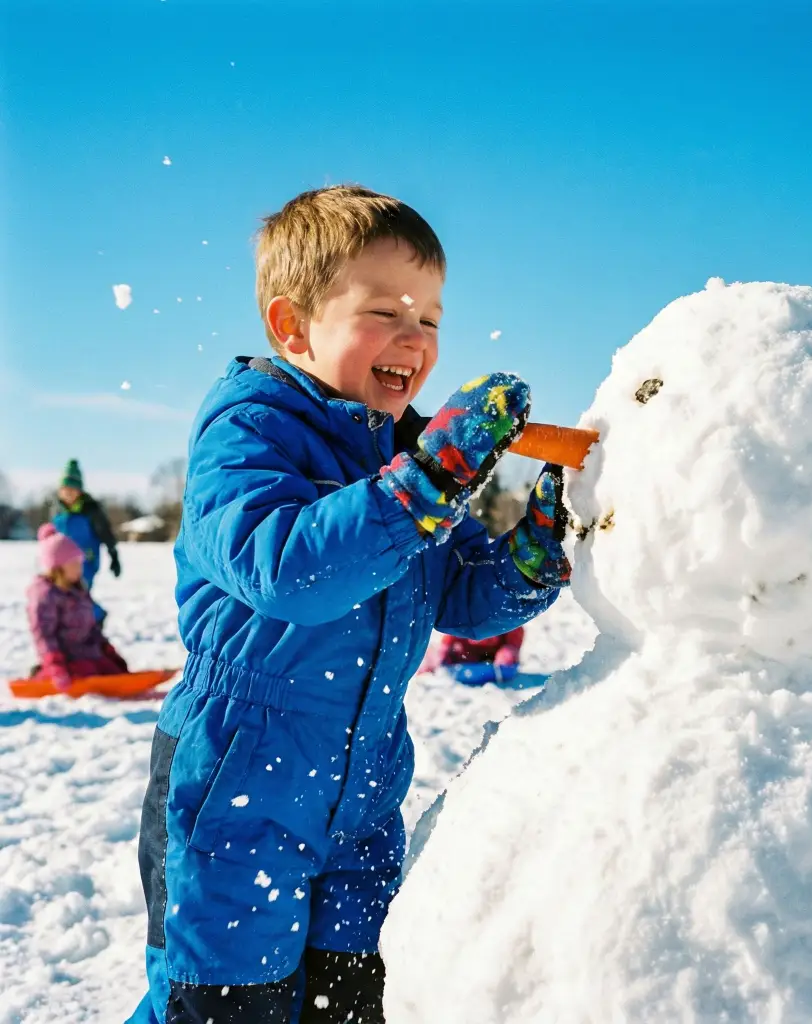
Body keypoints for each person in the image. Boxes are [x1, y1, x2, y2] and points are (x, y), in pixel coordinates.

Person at [128, 185, 571, 1024]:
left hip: (363, 786)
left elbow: (462, 593)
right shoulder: (251, 428)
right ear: (293, 326)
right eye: (386, 312)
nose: (417, 340)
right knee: (223, 1004)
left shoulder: (405, 454)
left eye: (432, 320)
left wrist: (532, 556)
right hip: (238, 780)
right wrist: (428, 482)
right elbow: (292, 571)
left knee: (352, 1002)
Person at [27, 525, 128, 690]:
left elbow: (91, 628)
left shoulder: (79, 591)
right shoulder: (46, 596)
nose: (79, 569)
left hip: (88, 653)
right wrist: (55, 664)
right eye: (73, 564)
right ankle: (42, 674)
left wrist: (107, 650)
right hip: (66, 658)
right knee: (87, 670)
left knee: (110, 669)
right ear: (57, 568)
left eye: (79, 563)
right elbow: (44, 636)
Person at [51, 459, 121, 590]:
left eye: (73, 489)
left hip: (86, 562)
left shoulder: (91, 510)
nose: (69, 493)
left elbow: (106, 533)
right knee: (60, 598)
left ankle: (95, 611)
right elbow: (52, 537)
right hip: (62, 564)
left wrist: (114, 555)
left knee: (79, 596)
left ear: (80, 491)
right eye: (66, 489)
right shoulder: (57, 511)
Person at [418, 627, 525, 685]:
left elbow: (516, 632)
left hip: (496, 654)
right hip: (468, 655)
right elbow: (447, 640)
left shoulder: (503, 620)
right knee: (443, 653)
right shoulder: (463, 619)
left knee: (507, 654)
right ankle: (429, 665)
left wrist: (510, 650)